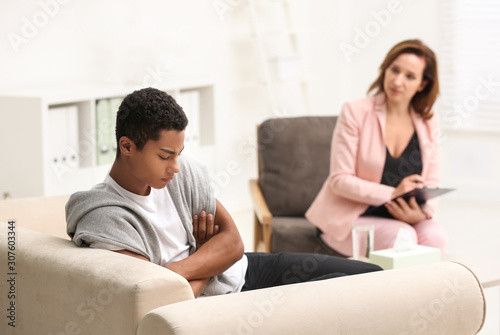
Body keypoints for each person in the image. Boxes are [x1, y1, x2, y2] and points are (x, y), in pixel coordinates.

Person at [66, 87, 380, 298]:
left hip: (245, 268)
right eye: (165, 156)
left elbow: (233, 244)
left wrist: (193, 265)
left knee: (373, 277)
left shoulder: (181, 174)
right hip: (225, 298)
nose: (176, 166)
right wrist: (206, 260)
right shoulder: (106, 218)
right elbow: (153, 296)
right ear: (127, 146)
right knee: (336, 296)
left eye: (179, 153)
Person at [306, 39, 448, 258]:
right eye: (395, 70)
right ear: (385, 69)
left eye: (410, 76)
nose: (398, 81)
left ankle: (423, 292)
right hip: (352, 217)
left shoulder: (429, 120)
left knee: (436, 235)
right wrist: (393, 193)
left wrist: (420, 214)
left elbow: (432, 181)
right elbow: (339, 179)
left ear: (422, 84)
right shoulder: (355, 111)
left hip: (405, 218)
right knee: (402, 236)